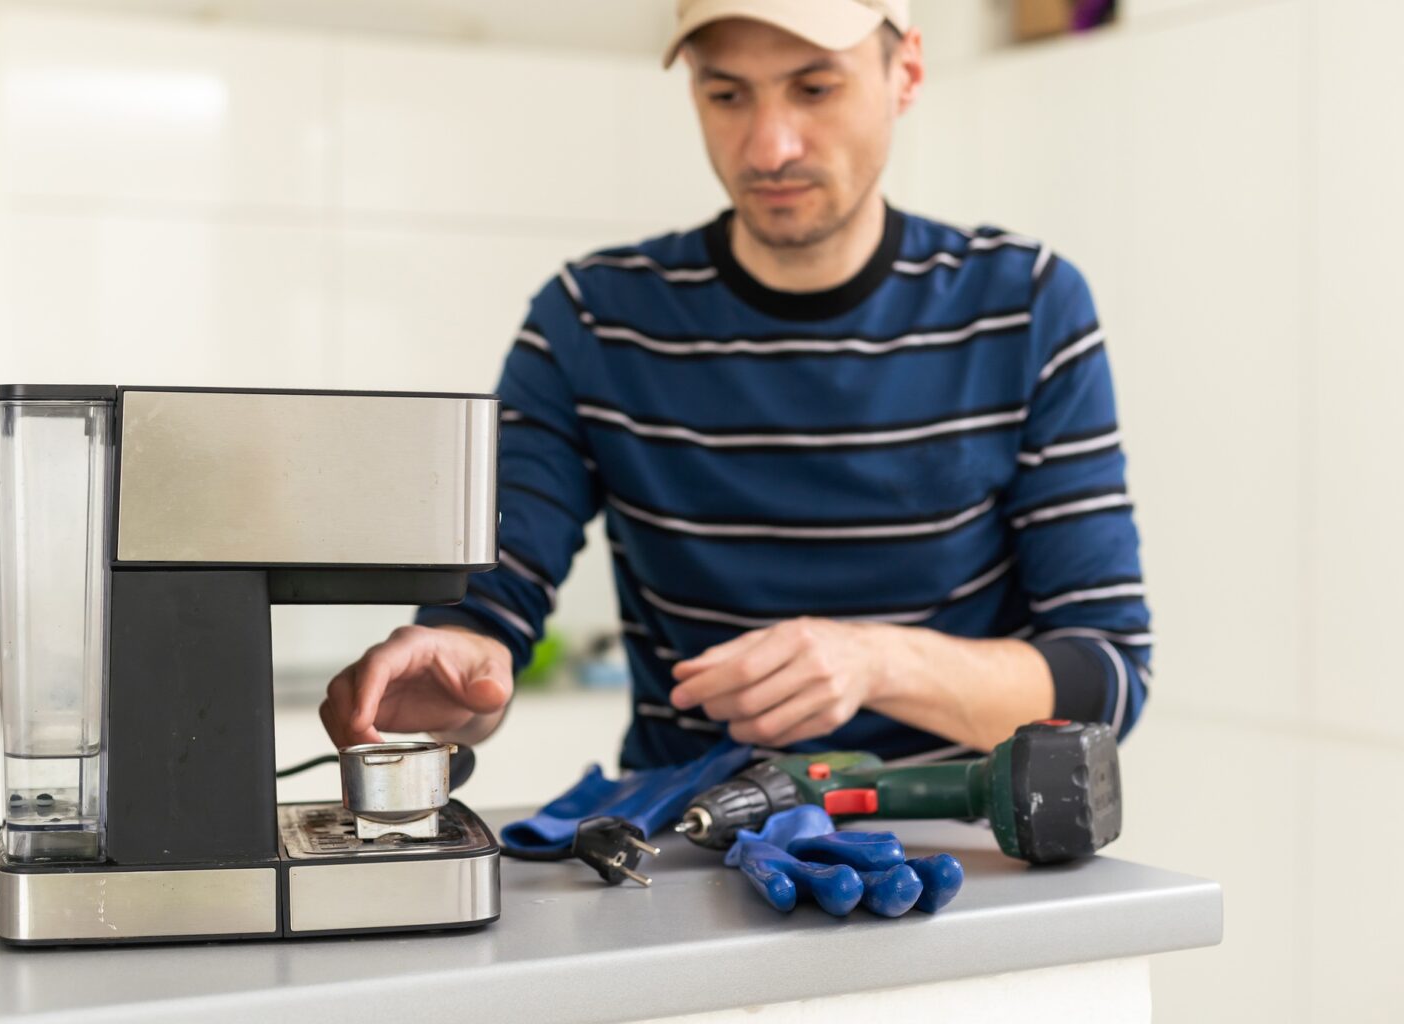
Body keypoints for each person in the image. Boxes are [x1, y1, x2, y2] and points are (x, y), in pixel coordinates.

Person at [320, 0, 1151, 769]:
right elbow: (488, 616)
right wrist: (459, 673)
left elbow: (1106, 676)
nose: (769, 148)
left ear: (908, 74)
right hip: (678, 862)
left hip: (963, 859)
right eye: (726, 95)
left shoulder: (1026, 306)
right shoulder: (593, 319)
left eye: (814, 87)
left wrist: (879, 661)